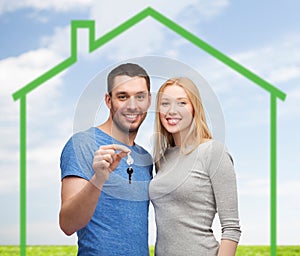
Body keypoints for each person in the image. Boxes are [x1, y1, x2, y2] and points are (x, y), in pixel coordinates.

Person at [59, 63, 153, 256]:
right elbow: (68, 224)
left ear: (149, 101)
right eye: (122, 96)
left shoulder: (146, 158)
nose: (132, 105)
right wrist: (99, 178)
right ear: (109, 101)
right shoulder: (83, 144)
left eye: (140, 97)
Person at [149, 77, 241, 256]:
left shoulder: (213, 152)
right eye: (165, 103)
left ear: (194, 108)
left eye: (182, 103)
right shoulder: (162, 159)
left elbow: (231, 228)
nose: (172, 111)